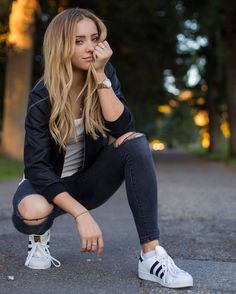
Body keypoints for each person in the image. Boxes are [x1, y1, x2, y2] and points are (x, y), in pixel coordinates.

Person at [12, 7, 193, 289]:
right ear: (61, 45)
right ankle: (39, 237)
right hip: (47, 184)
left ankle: (151, 255)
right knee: (34, 209)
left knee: (136, 143)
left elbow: (122, 129)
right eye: (78, 40)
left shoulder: (104, 74)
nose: (89, 47)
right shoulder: (42, 95)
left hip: (87, 181)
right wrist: (81, 215)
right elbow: (36, 166)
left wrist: (100, 77)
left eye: (94, 38)